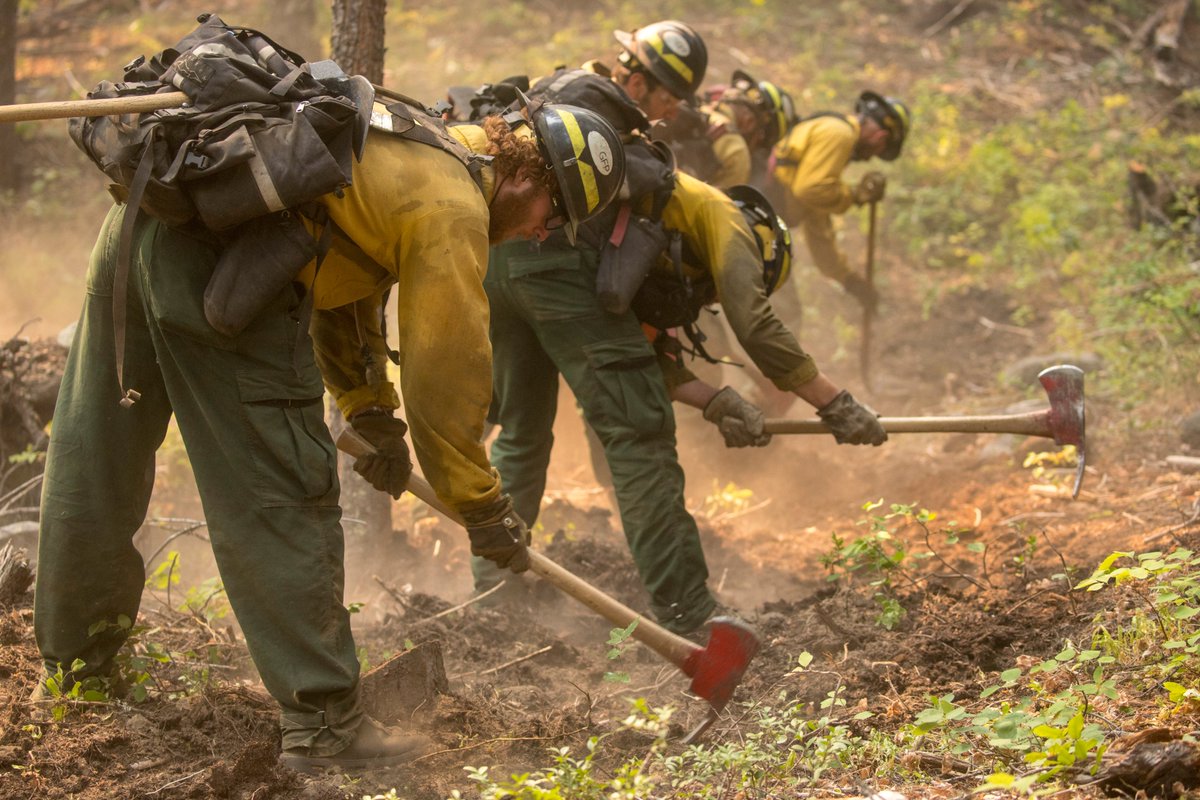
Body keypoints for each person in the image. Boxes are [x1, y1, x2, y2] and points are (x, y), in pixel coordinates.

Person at [31, 93, 625, 772]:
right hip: (225, 270)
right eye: (555, 216)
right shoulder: (456, 208)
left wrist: (370, 411)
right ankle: (324, 723)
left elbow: (344, 264)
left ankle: (78, 672)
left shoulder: (424, 143)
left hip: (140, 223)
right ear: (530, 177)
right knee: (285, 489)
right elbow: (446, 369)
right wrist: (479, 501)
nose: (543, 235)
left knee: (95, 458)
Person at [479, 20, 730, 636]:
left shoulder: (552, 88)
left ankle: (490, 598)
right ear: (638, 78)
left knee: (521, 431)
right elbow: (631, 185)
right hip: (556, 264)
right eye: (667, 99)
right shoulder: (594, 104)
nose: (668, 113)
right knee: (636, 429)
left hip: (498, 264)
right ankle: (690, 612)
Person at [631, 180, 888, 450]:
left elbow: (638, 359)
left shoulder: (659, 260)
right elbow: (755, 326)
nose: (717, 299)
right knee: (646, 450)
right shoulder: (730, 225)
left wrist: (715, 403)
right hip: (583, 264)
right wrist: (836, 404)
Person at [767, 90, 911, 312]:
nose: (873, 156)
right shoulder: (839, 134)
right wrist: (854, 196)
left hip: (759, 225)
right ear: (881, 138)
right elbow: (810, 189)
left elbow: (818, 226)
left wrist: (849, 280)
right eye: (881, 149)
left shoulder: (832, 136)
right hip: (753, 226)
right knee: (784, 315)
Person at [653, 69, 797, 189]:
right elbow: (715, 212)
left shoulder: (688, 104)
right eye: (759, 143)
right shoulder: (737, 152)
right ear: (749, 122)